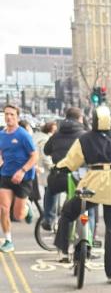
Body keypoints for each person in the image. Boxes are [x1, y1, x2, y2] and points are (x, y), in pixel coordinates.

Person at [54, 106, 111, 283]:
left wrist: (57, 168)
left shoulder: (85, 138)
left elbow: (71, 162)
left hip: (93, 184)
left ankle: (63, 250)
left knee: (68, 211)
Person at [0, 105, 38, 251]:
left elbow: (34, 156)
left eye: (12, 114)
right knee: (3, 208)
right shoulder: (1, 135)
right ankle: (8, 240)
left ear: (17, 117)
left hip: (24, 177)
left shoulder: (23, 135)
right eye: (6, 114)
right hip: (6, 175)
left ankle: (26, 209)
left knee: (18, 215)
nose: (9, 117)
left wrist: (22, 171)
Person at [43, 107, 87, 231]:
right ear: (80, 119)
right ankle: (88, 228)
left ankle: (49, 218)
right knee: (84, 199)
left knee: (51, 190)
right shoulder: (84, 135)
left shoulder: (56, 135)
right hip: (78, 175)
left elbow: (46, 150)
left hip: (59, 174)